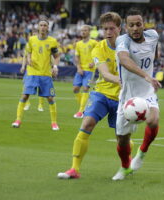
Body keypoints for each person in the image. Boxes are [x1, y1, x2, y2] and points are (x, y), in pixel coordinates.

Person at [57, 12, 122, 179]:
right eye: (105, 28)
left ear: (119, 28)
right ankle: (74, 169)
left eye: (112, 28)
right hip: (101, 92)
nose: (108, 32)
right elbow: (105, 74)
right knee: (87, 124)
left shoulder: (129, 47)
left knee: (121, 136)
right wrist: (124, 81)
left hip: (123, 97)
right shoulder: (98, 48)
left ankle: (127, 164)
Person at [112, 8, 161, 181]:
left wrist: (152, 68)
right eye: (131, 25)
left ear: (143, 24)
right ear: (126, 26)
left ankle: (142, 153)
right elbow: (125, 60)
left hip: (147, 92)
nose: (135, 28)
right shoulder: (122, 40)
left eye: (138, 24)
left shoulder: (153, 35)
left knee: (153, 120)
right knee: (122, 139)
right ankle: (125, 167)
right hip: (127, 97)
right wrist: (147, 75)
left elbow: (155, 52)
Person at [11, 18, 60, 131]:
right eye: (41, 25)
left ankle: (54, 123)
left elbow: (57, 56)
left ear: (48, 28)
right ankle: (18, 120)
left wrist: (55, 67)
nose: (43, 27)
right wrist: (28, 59)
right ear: (38, 27)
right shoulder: (32, 39)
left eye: (45, 25)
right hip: (32, 73)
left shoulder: (52, 41)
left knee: (50, 98)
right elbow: (28, 51)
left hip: (45, 74)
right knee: (24, 96)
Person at [73, 25, 98, 118]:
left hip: (90, 70)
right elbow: (77, 56)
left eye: (85, 30)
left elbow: (99, 54)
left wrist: (93, 62)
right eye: (82, 30)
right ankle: (83, 107)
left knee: (85, 88)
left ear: (89, 32)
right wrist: (78, 67)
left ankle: (81, 111)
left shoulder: (94, 43)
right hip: (81, 69)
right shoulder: (78, 44)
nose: (83, 32)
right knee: (75, 89)